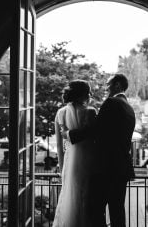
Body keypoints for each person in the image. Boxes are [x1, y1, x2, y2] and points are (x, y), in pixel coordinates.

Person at [67, 73, 136, 227]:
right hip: (121, 168)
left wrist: (70, 134)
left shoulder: (112, 103)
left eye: (108, 84)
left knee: (93, 209)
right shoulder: (128, 107)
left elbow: (95, 128)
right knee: (117, 211)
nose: (106, 87)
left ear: (117, 85)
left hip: (106, 168)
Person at [52, 80, 97, 227]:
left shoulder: (60, 113)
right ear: (84, 94)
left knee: (70, 199)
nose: (90, 95)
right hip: (89, 161)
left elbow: (59, 145)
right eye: (88, 92)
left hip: (70, 162)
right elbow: (95, 139)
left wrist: (62, 169)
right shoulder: (91, 112)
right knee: (87, 198)